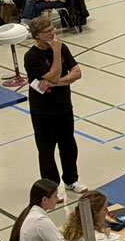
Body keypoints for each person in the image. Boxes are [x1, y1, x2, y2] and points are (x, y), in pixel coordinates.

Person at [23, 15, 86, 192]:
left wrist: (56, 83)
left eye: (52, 29)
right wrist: (56, 53)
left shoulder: (62, 47)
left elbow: (77, 72)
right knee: (46, 151)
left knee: (69, 146)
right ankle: (51, 188)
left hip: (64, 106)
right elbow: (54, 75)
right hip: (43, 111)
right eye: (47, 32)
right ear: (37, 35)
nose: (52, 33)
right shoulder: (32, 57)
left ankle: (71, 180)